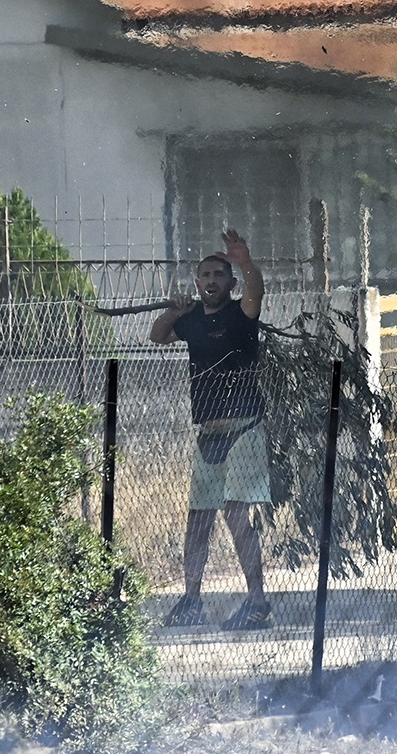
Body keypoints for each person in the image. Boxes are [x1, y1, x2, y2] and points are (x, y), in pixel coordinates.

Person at [149, 228, 272, 631]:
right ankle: (191, 601)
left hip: (245, 427)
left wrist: (246, 262)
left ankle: (257, 603)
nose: (212, 280)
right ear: (197, 282)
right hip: (209, 432)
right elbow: (158, 336)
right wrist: (175, 311)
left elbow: (256, 289)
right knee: (199, 519)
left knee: (236, 514)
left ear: (230, 283)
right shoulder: (191, 321)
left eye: (220, 275)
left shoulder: (241, 313)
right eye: (206, 275)